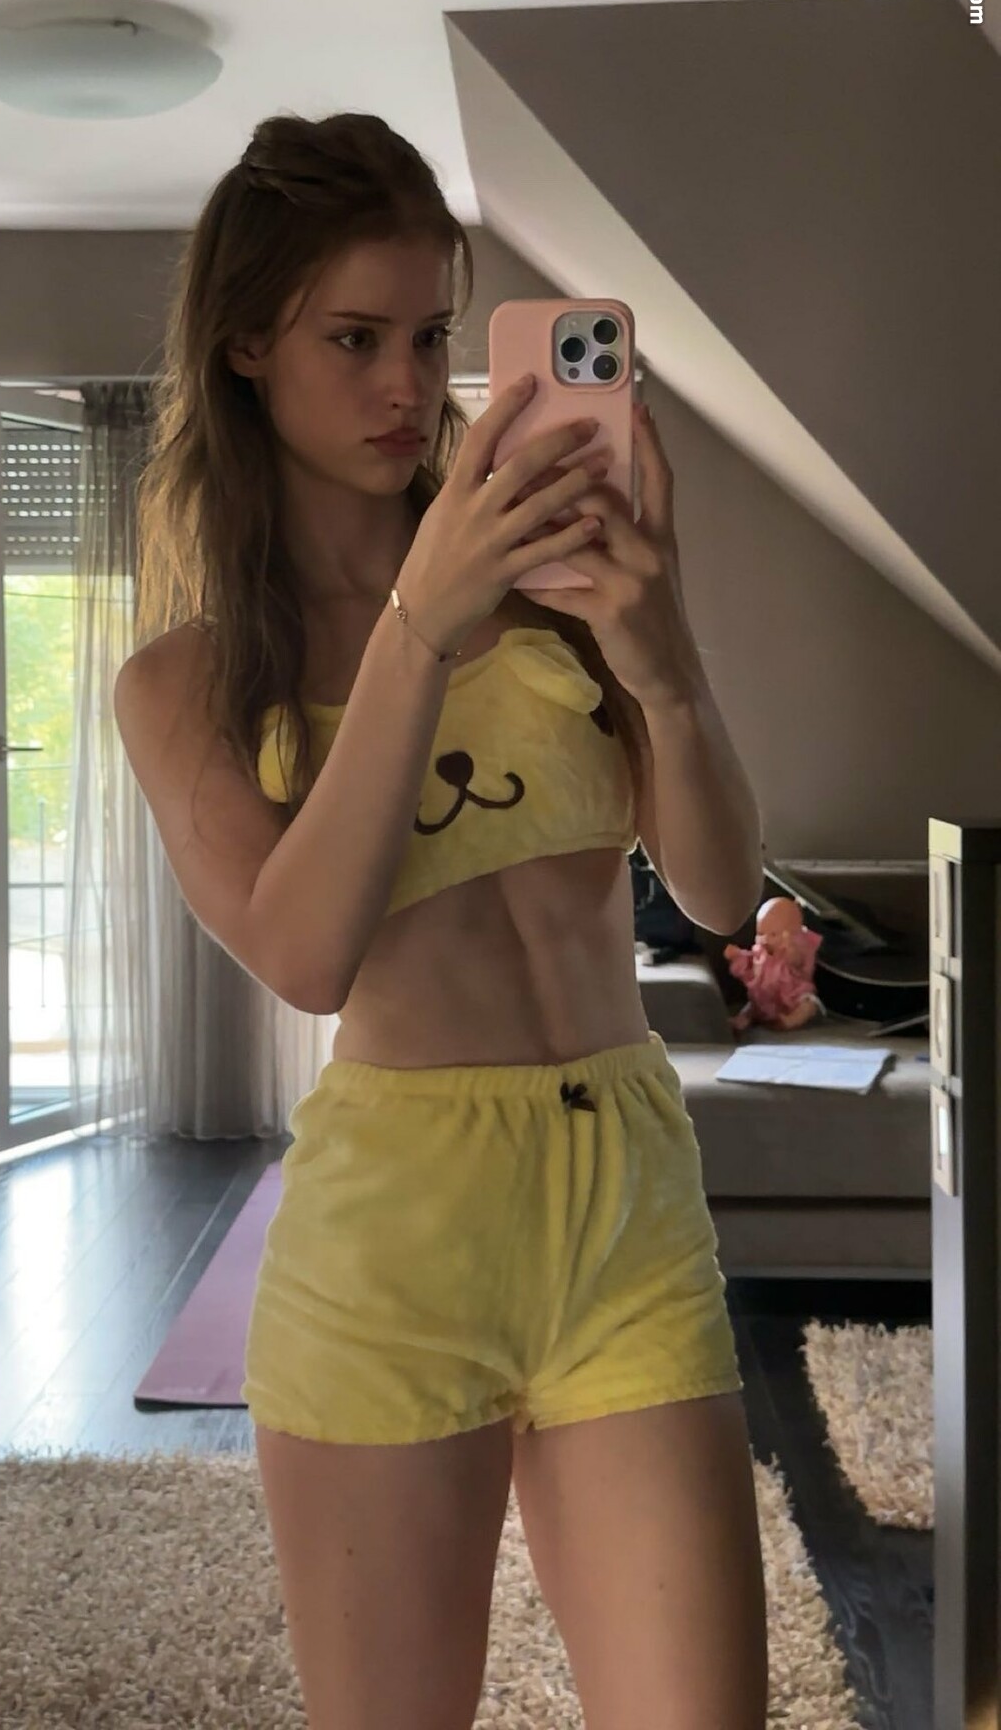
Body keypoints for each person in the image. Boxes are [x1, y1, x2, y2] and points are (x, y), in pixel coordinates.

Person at [116, 111, 769, 1729]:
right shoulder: (188, 681)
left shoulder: (566, 592)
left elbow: (717, 890)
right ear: (249, 346)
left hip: (626, 1199)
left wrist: (666, 658)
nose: (408, 387)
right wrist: (420, 622)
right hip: (396, 1239)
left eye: (428, 335)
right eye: (354, 339)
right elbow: (304, 955)